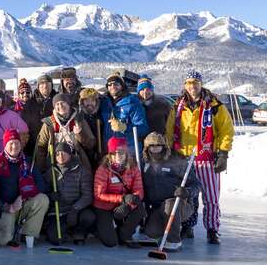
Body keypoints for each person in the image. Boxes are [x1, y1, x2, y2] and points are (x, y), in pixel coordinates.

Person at [165, 70, 234, 244]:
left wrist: (223, 154)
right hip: (185, 158)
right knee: (188, 195)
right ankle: (188, 225)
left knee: (210, 197)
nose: (192, 86)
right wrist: (170, 151)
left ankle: (212, 229)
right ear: (184, 85)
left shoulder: (215, 106)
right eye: (188, 83)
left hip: (207, 157)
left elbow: (226, 130)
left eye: (195, 82)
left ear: (200, 84)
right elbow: (169, 130)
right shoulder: (178, 106)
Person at [139, 132, 201, 251]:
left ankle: (174, 241)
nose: (155, 148)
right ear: (147, 148)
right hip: (157, 207)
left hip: (179, 204)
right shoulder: (144, 164)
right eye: (152, 146)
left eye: (159, 145)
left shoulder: (175, 161)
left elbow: (197, 185)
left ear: (164, 146)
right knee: (151, 232)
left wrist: (186, 191)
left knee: (169, 205)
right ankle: (164, 230)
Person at [0, 129, 48, 247]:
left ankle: (27, 234)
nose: (14, 146)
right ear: (5, 145)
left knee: (42, 199)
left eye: (17, 143)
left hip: (23, 205)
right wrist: (8, 207)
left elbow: (41, 185)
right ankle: (11, 231)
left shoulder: (28, 162)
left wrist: (24, 196)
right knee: (3, 240)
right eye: (11, 143)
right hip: (6, 208)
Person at [93, 137, 146, 248]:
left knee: (139, 207)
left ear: (126, 153)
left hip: (123, 205)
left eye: (121, 153)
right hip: (104, 207)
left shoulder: (133, 167)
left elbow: (139, 190)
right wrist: (122, 198)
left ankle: (124, 235)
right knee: (110, 242)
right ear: (109, 154)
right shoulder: (103, 169)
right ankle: (99, 229)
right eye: (114, 153)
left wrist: (130, 204)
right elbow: (99, 195)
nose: (117, 156)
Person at [43, 142, 95, 245]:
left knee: (89, 216)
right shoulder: (51, 172)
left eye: (64, 153)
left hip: (76, 210)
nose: (60, 156)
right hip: (58, 212)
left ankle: (79, 232)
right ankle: (64, 231)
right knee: (54, 239)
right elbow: (43, 190)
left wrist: (75, 208)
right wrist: (50, 196)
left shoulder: (82, 171)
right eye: (58, 154)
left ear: (70, 154)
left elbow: (87, 196)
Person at [34, 93, 95, 173]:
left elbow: (91, 144)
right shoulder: (49, 123)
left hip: (77, 164)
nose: (60, 106)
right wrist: (42, 169)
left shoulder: (79, 121)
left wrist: (80, 134)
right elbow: (40, 147)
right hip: (54, 166)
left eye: (63, 103)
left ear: (69, 104)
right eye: (57, 104)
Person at [99, 73, 149, 151]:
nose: (112, 86)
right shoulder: (104, 103)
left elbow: (143, 129)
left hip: (129, 152)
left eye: (116, 83)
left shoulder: (133, 102)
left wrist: (125, 128)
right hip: (110, 152)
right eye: (110, 84)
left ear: (122, 86)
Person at [0, 89, 29, 159]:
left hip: (10, 153)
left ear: (2, 101)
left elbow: (24, 131)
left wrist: (18, 147)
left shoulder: (11, 115)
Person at [23, 75, 58, 155]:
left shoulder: (57, 101)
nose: (45, 86)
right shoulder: (30, 103)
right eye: (42, 83)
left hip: (54, 142)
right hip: (34, 144)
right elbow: (25, 126)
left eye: (48, 83)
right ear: (38, 86)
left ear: (51, 85)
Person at [77, 87, 104, 168]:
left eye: (92, 100)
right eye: (86, 101)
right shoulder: (79, 118)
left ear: (96, 102)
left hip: (99, 154)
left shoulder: (100, 116)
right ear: (82, 102)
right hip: (83, 155)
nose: (89, 103)